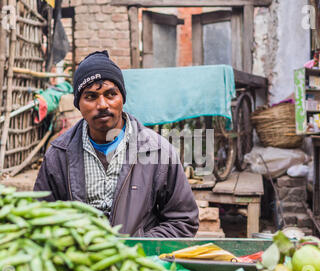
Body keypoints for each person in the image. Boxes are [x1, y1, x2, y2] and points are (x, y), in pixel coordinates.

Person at [34, 50, 199, 237]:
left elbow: (183, 220)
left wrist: (137, 247)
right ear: (78, 104)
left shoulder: (157, 151)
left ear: (122, 98)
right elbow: (42, 219)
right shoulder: (58, 154)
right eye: (90, 97)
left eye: (111, 94)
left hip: (139, 262)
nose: (103, 104)